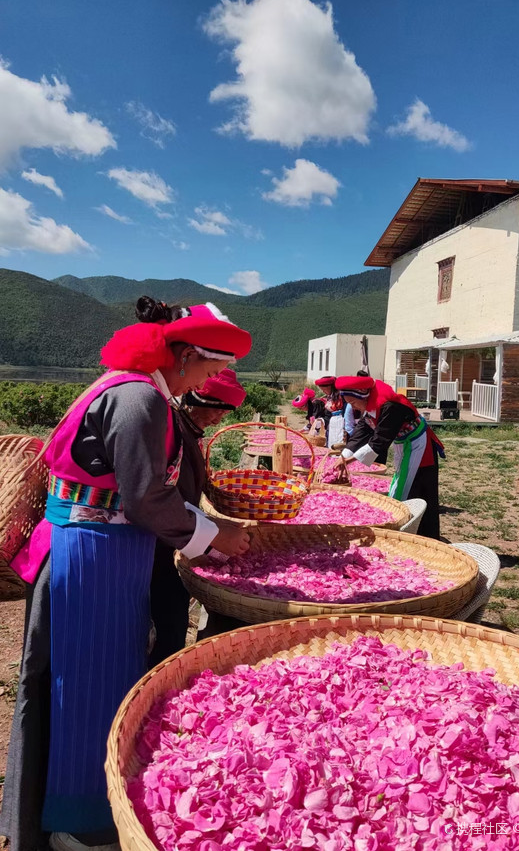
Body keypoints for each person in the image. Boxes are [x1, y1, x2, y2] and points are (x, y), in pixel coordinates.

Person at [0, 299, 252, 851]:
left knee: (98, 677)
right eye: (209, 371)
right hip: (94, 560)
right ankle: (81, 822)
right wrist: (214, 535)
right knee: (87, 684)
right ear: (185, 356)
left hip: (103, 555)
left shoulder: (129, 389)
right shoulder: (138, 399)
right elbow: (145, 498)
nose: (209, 383)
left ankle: (77, 810)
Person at [148, 367, 247, 668]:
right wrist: (211, 536)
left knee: (173, 620)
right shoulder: (172, 431)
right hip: (161, 545)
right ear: (191, 397)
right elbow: (164, 499)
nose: (218, 419)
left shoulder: (189, 432)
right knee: (164, 623)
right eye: (214, 409)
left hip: (178, 538)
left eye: (224, 413)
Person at [335, 375, 444, 539]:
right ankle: (409, 529)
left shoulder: (389, 405)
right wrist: (344, 455)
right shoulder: (371, 404)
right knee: (403, 483)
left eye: (353, 403)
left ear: (362, 396)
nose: (354, 408)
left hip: (419, 446)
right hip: (405, 444)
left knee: (418, 488)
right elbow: (362, 430)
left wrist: (350, 461)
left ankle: (422, 535)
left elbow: (379, 440)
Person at [314, 375, 345, 447]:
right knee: (332, 440)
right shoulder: (329, 397)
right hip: (332, 422)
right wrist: (321, 420)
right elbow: (328, 414)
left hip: (341, 421)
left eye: (324, 389)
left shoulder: (340, 397)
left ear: (329, 387)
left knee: (339, 441)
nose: (323, 391)